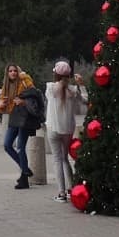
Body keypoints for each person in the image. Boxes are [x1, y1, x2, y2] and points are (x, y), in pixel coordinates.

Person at [44, 60, 86, 202]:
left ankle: (61, 193)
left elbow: (50, 96)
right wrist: (81, 85)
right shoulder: (74, 90)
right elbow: (86, 100)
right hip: (68, 129)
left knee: (57, 160)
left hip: (53, 128)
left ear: (55, 74)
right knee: (65, 158)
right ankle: (71, 188)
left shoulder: (50, 88)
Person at [0, 63, 37, 189]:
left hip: (24, 119)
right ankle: (25, 169)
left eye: (15, 71)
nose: (13, 73)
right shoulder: (6, 86)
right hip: (13, 118)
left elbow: (34, 96)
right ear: (7, 73)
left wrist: (23, 101)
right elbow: (2, 106)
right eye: (10, 71)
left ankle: (24, 178)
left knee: (20, 147)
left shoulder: (25, 82)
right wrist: (0, 105)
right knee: (7, 145)